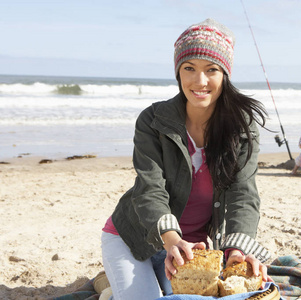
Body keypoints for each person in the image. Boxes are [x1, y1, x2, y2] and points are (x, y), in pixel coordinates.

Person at [100, 18, 271, 300]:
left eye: (211, 70)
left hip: (195, 250)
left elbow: (243, 194)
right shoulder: (153, 120)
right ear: (178, 71)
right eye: (189, 68)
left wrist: (238, 252)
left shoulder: (242, 127)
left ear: (224, 74)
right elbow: (149, 188)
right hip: (134, 238)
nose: (199, 81)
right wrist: (171, 240)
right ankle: (112, 284)